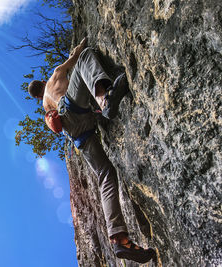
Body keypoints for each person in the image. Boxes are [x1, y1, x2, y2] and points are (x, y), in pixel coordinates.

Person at [28, 37, 156, 263]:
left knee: (105, 174)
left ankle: (119, 239)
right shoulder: (55, 76)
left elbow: (57, 126)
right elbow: (77, 54)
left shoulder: (45, 106)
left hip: (78, 134)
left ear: (37, 95)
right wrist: (83, 42)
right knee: (86, 56)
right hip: (73, 109)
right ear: (42, 82)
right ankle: (105, 99)